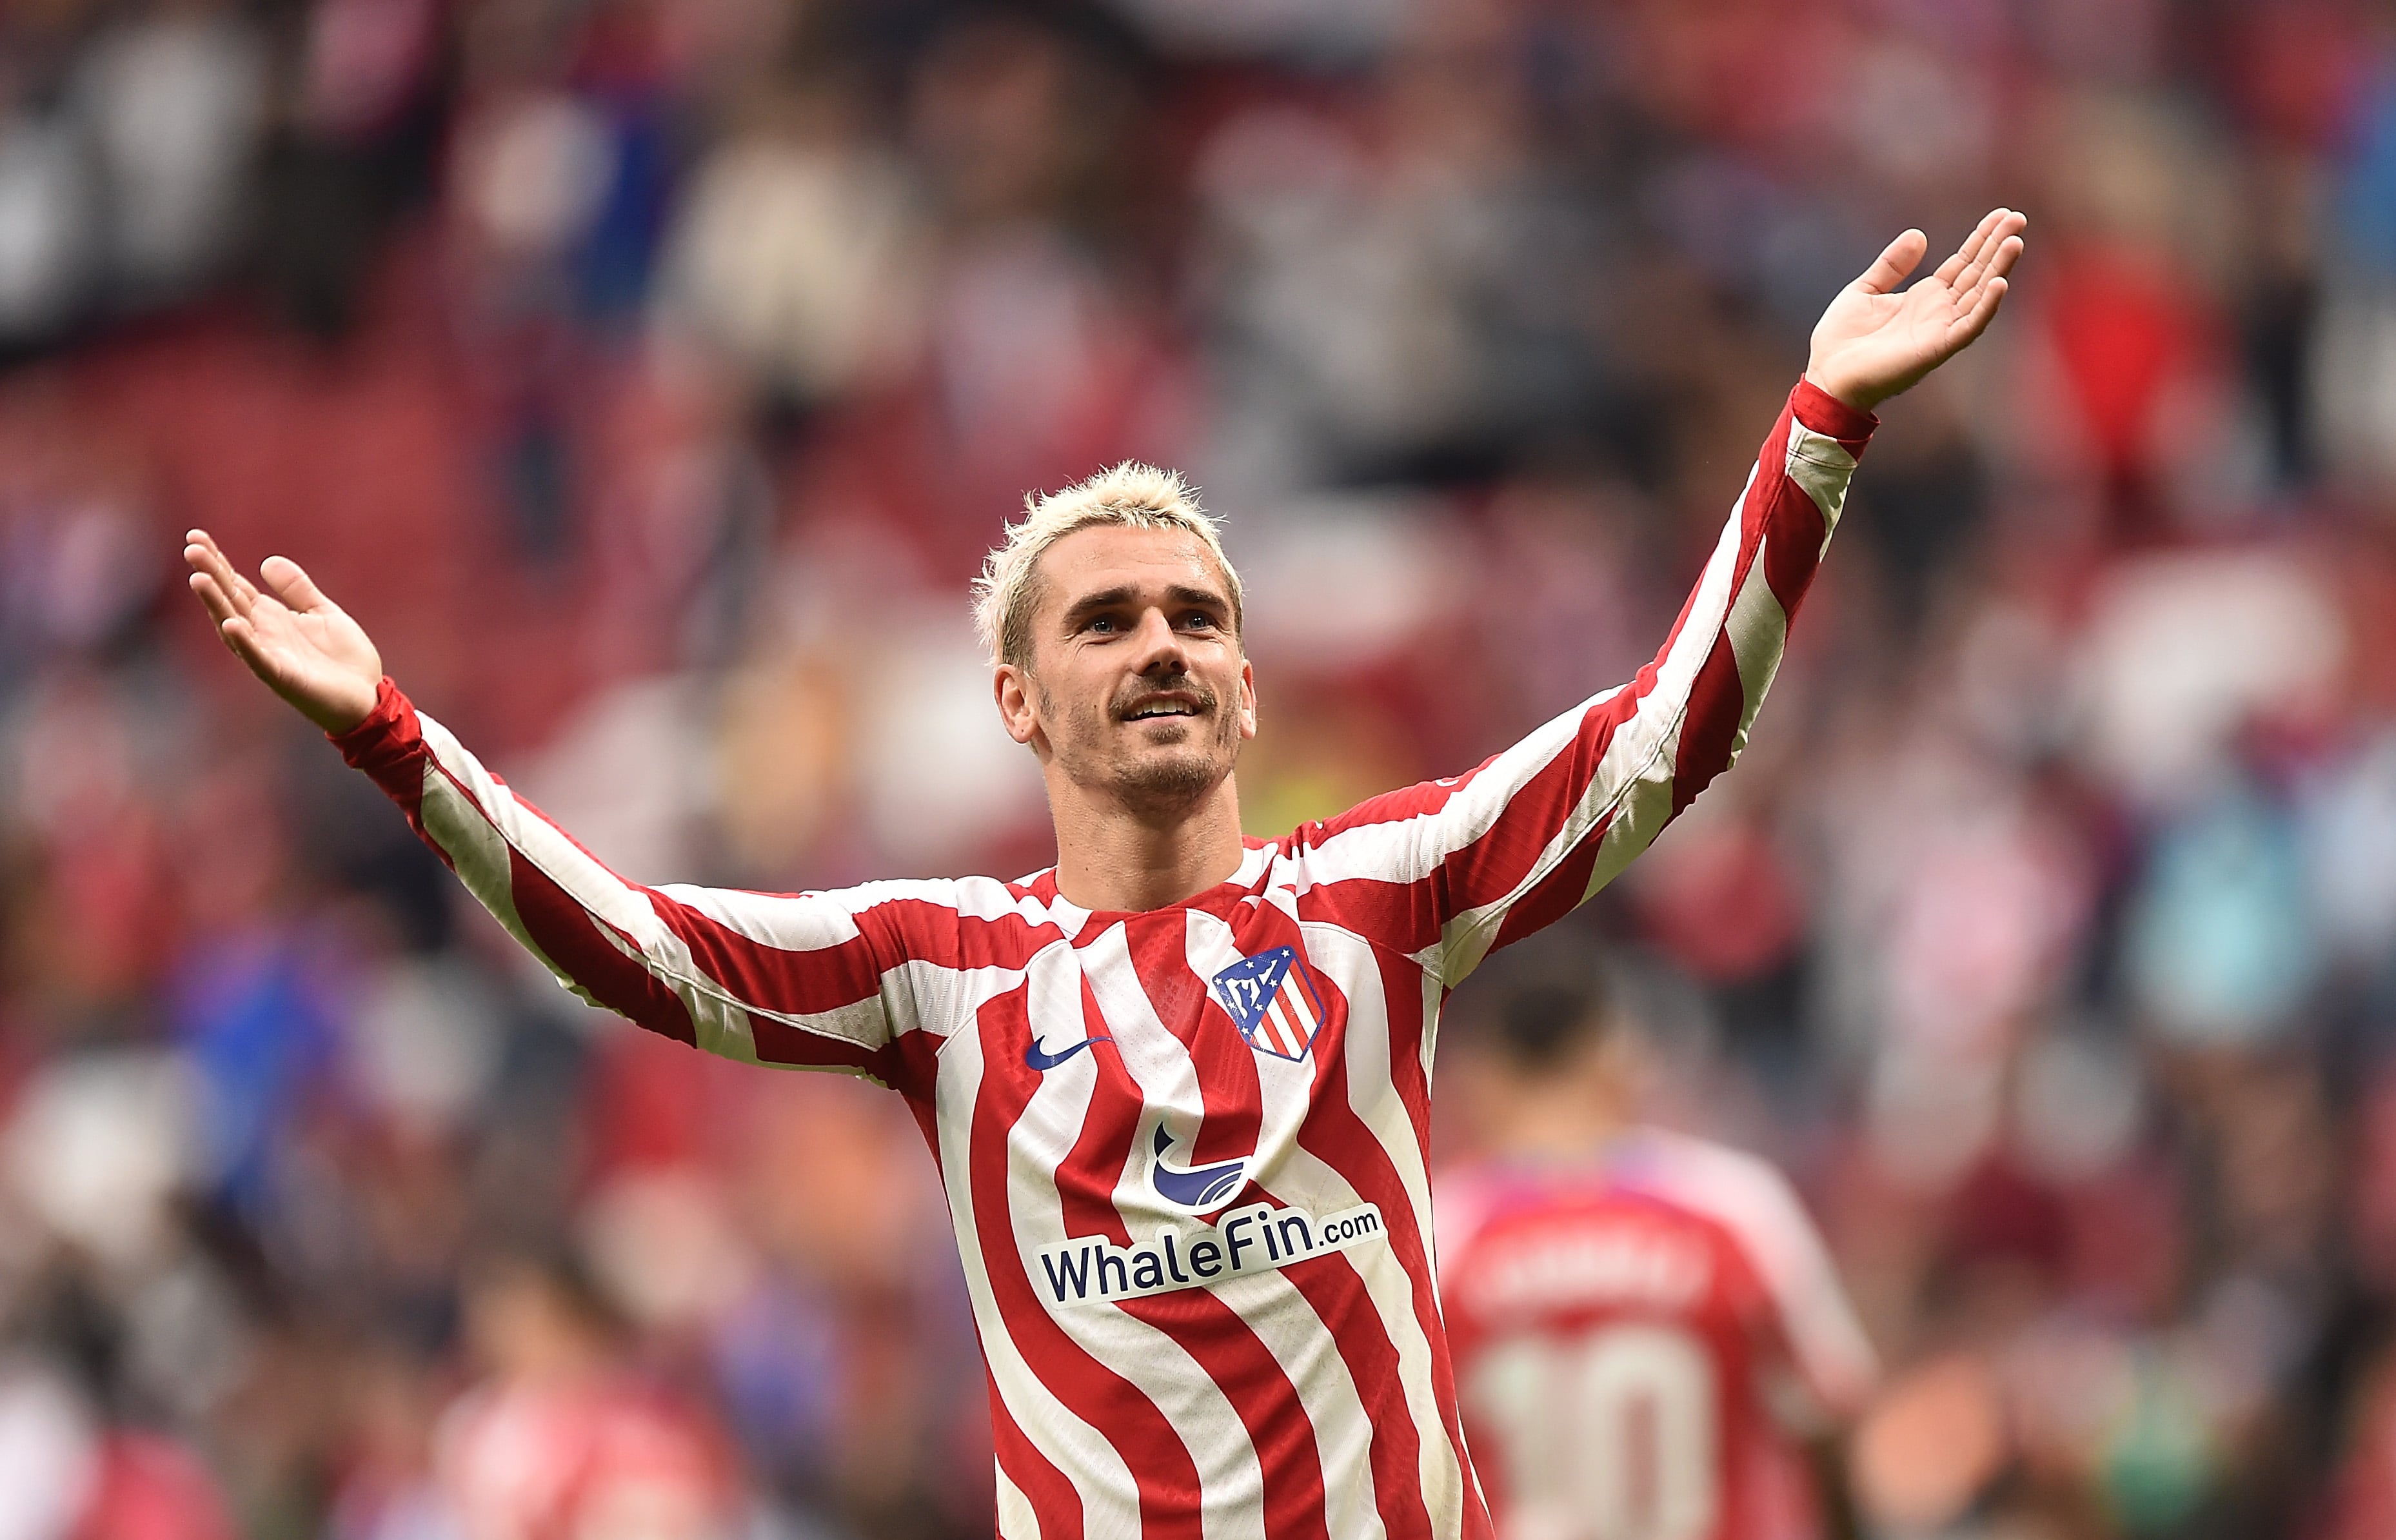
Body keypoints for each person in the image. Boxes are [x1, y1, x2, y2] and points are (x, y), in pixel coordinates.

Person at [182, 209, 2026, 1540]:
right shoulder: (939, 970)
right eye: (1109, 618)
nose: (1159, 642)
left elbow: (1663, 733)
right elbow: (636, 948)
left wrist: (1818, 431)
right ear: (1015, 695)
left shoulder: (1377, 898)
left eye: (1196, 617)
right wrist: (396, 743)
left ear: (1243, 682)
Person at [1438, 960, 1876, 1540]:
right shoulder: (1732, 1207)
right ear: (1617, 1059)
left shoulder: (1438, 1234)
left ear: (1481, 1078)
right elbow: (1831, 1408)